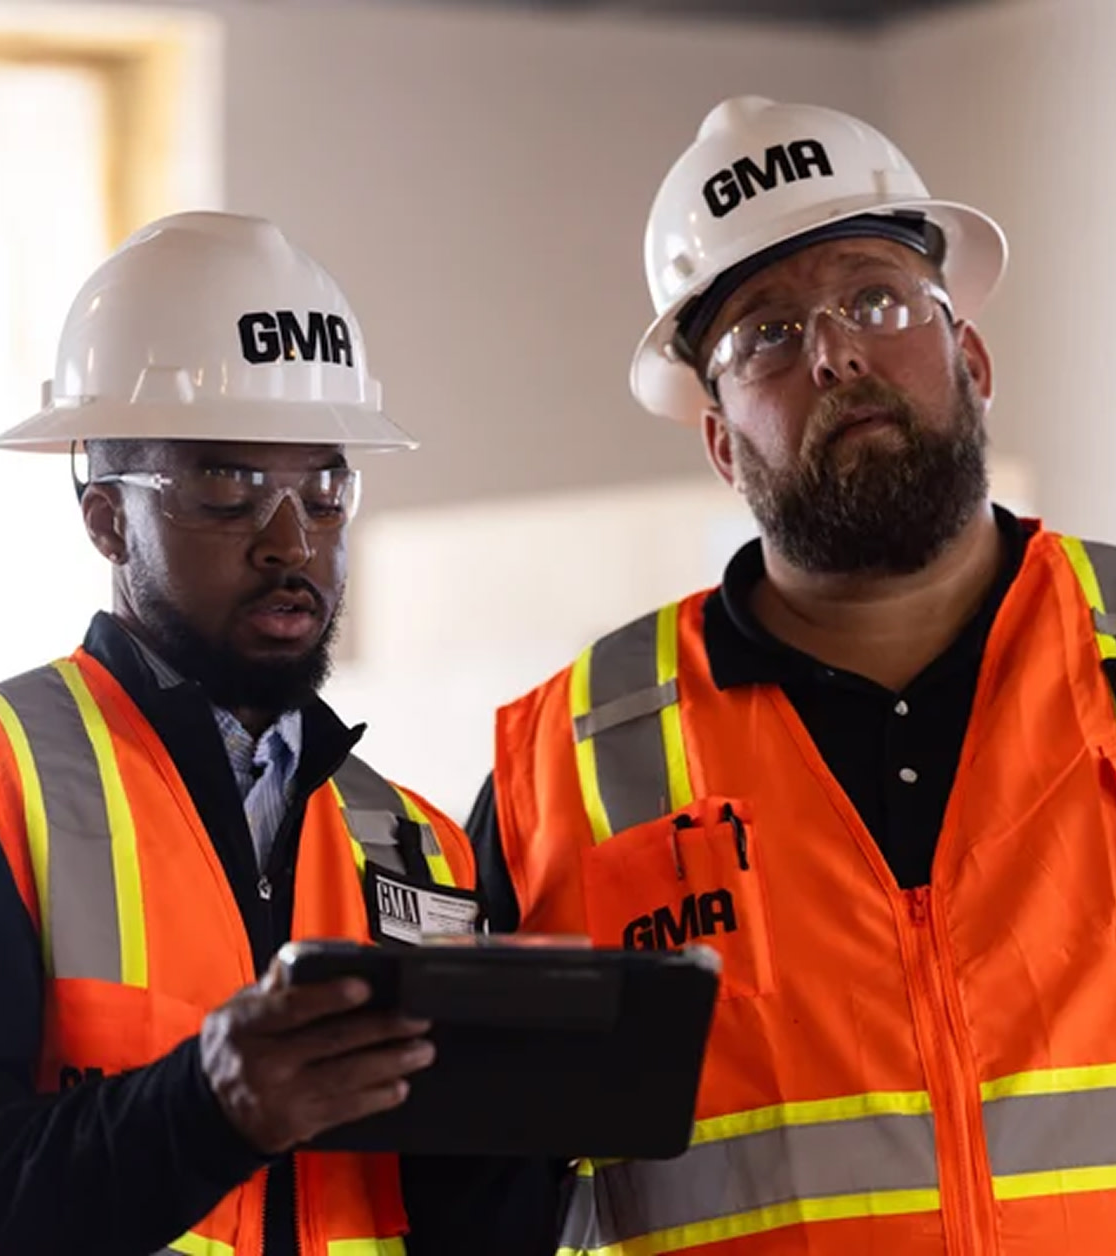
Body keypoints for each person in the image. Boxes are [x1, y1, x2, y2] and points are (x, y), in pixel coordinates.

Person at [467, 95, 1116, 1252]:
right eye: (765, 332)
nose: (833, 351)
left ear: (968, 355)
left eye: (874, 297)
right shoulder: (563, 766)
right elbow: (474, 1201)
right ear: (720, 439)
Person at [0, 211, 556, 1256]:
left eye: (324, 488)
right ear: (103, 517)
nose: (292, 539)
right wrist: (208, 1108)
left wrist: (522, 1133)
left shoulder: (414, 842)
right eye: (226, 484)